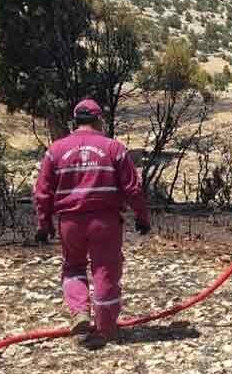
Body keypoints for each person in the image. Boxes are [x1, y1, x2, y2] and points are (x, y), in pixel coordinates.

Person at [34, 99, 150, 349]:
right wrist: (142, 217)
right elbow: (133, 188)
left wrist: (44, 225)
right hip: (105, 222)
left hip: (70, 222)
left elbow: (42, 191)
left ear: (75, 121)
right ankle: (107, 328)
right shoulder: (114, 148)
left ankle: (80, 313)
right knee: (105, 270)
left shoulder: (55, 150)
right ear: (99, 120)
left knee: (73, 267)